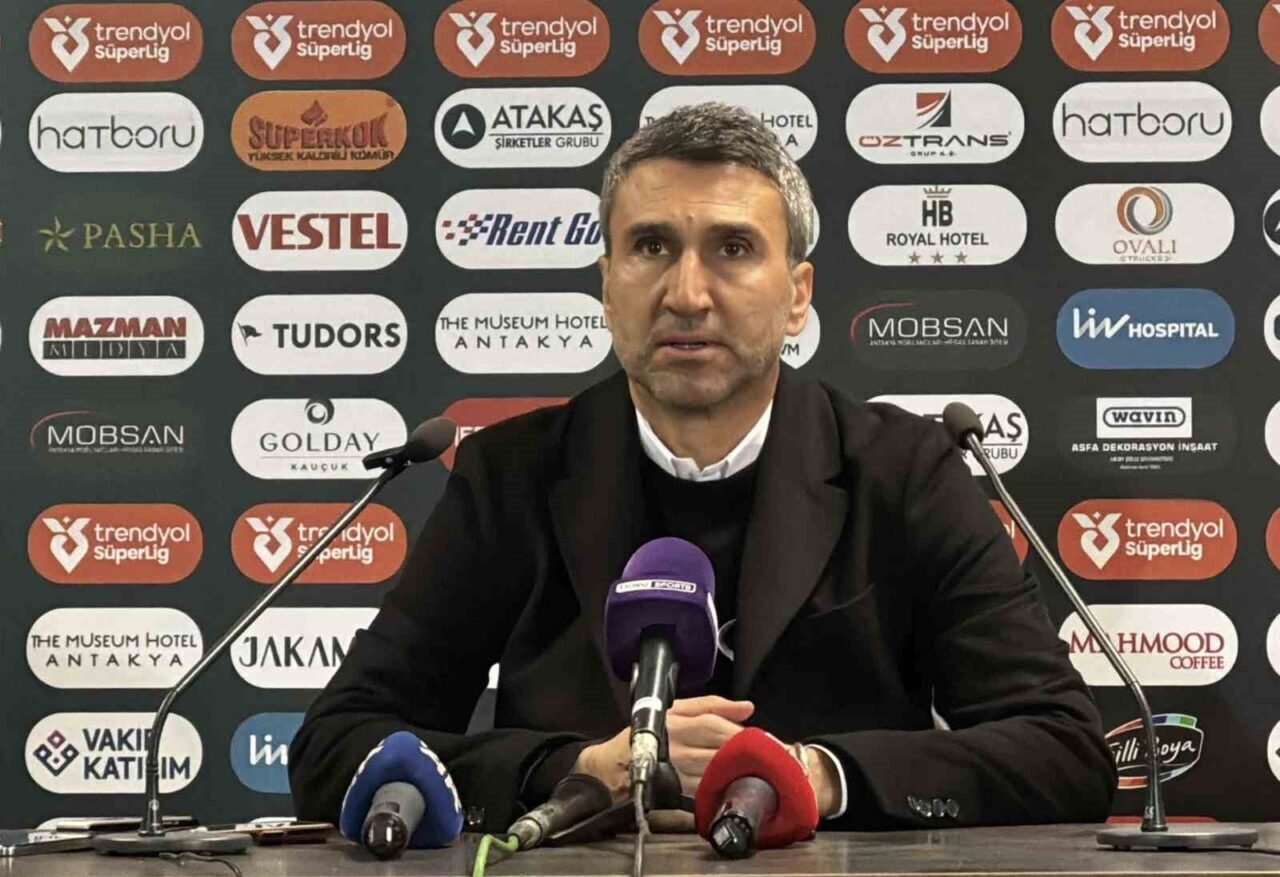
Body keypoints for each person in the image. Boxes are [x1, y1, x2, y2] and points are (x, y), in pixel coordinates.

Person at [289, 103, 1116, 832]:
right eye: (651, 246)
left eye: (732, 248)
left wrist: (818, 775)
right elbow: (336, 745)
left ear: (797, 295)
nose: (687, 293)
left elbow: (1064, 748)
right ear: (606, 285)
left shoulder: (906, 472)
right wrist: (578, 770)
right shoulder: (511, 474)